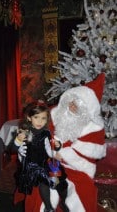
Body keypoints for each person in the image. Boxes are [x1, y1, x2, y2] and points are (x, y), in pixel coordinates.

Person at [25, 73, 107, 212]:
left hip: (76, 169)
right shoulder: (54, 113)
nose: (73, 107)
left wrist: (62, 155)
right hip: (49, 163)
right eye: (72, 102)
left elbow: (88, 158)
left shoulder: (94, 129)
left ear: (87, 110)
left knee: (79, 196)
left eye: (79, 105)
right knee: (40, 189)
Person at [12, 100, 68, 212]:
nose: (40, 121)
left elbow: (48, 148)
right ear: (29, 118)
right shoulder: (25, 132)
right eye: (36, 117)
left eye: (43, 118)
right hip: (31, 165)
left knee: (61, 181)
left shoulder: (46, 133)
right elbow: (13, 148)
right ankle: (49, 207)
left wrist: (55, 148)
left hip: (44, 162)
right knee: (44, 182)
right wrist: (18, 141)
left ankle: (64, 201)